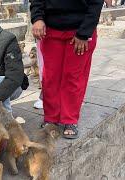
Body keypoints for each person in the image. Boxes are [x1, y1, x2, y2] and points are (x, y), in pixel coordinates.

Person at [30, 0, 104, 139]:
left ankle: (69, 119)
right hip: (51, 29)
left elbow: (96, 3)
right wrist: (37, 18)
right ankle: (51, 118)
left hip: (80, 30)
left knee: (73, 76)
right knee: (51, 77)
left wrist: (84, 33)